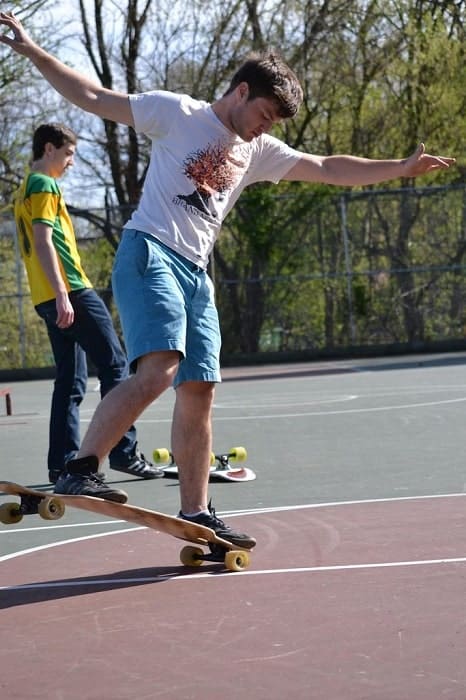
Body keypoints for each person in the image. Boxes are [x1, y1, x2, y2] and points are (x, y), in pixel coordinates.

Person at [0, 11, 455, 549]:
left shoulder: (259, 151)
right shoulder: (177, 113)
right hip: (150, 253)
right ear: (240, 92)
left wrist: (398, 167)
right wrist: (31, 50)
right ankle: (81, 465)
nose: (266, 127)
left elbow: (329, 167)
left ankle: (198, 511)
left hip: (197, 273)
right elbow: (94, 96)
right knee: (160, 370)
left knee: (200, 389)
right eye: (264, 113)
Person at [14, 121, 163, 493]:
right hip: (71, 291)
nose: (71, 163)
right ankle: (122, 451)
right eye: (68, 154)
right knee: (115, 363)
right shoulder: (44, 184)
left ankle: (63, 464)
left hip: (44, 295)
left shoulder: (22, 189)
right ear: (49, 149)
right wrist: (64, 293)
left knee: (70, 379)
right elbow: (44, 241)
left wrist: (52, 294)